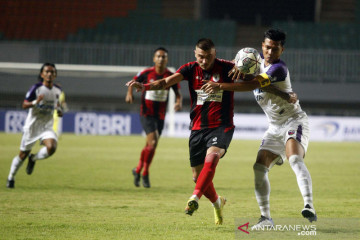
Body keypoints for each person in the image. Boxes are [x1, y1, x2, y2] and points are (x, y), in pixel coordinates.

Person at [126, 39, 290, 225]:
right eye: (201, 57)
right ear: (195, 54)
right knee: (197, 176)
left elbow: (255, 84)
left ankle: (194, 198)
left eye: (209, 57)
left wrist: (284, 94)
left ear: (215, 53)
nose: (204, 61)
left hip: (222, 125)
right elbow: (165, 82)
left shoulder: (229, 68)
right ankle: (218, 202)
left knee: (212, 158)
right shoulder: (189, 69)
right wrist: (145, 86)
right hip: (197, 128)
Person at [201, 29, 317, 227]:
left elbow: (254, 84)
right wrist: (285, 94)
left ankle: (309, 205)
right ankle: (266, 219)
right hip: (274, 126)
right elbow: (252, 79)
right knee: (258, 168)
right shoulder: (253, 61)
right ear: (262, 46)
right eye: (267, 47)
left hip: (293, 120)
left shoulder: (279, 68)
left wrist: (221, 86)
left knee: (295, 158)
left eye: (275, 48)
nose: (270, 52)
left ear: (282, 49)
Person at [126, 47, 182, 188]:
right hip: (146, 113)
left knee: (150, 145)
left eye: (163, 57)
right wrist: (129, 93)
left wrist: (178, 101)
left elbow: (177, 91)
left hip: (161, 115)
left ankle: (137, 170)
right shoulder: (146, 73)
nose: (161, 59)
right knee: (152, 143)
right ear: (154, 58)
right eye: (158, 56)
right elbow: (132, 82)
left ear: (167, 59)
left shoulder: (170, 75)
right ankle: (145, 173)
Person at [6, 63, 63, 189]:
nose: (49, 74)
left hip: (46, 126)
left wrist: (59, 110)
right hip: (32, 127)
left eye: (52, 72)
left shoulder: (58, 90)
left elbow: (58, 105)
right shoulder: (36, 89)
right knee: (22, 155)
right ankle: (11, 177)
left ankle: (34, 158)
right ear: (42, 74)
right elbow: (24, 105)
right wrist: (35, 102)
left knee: (52, 147)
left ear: (55, 75)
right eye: (47, 71)